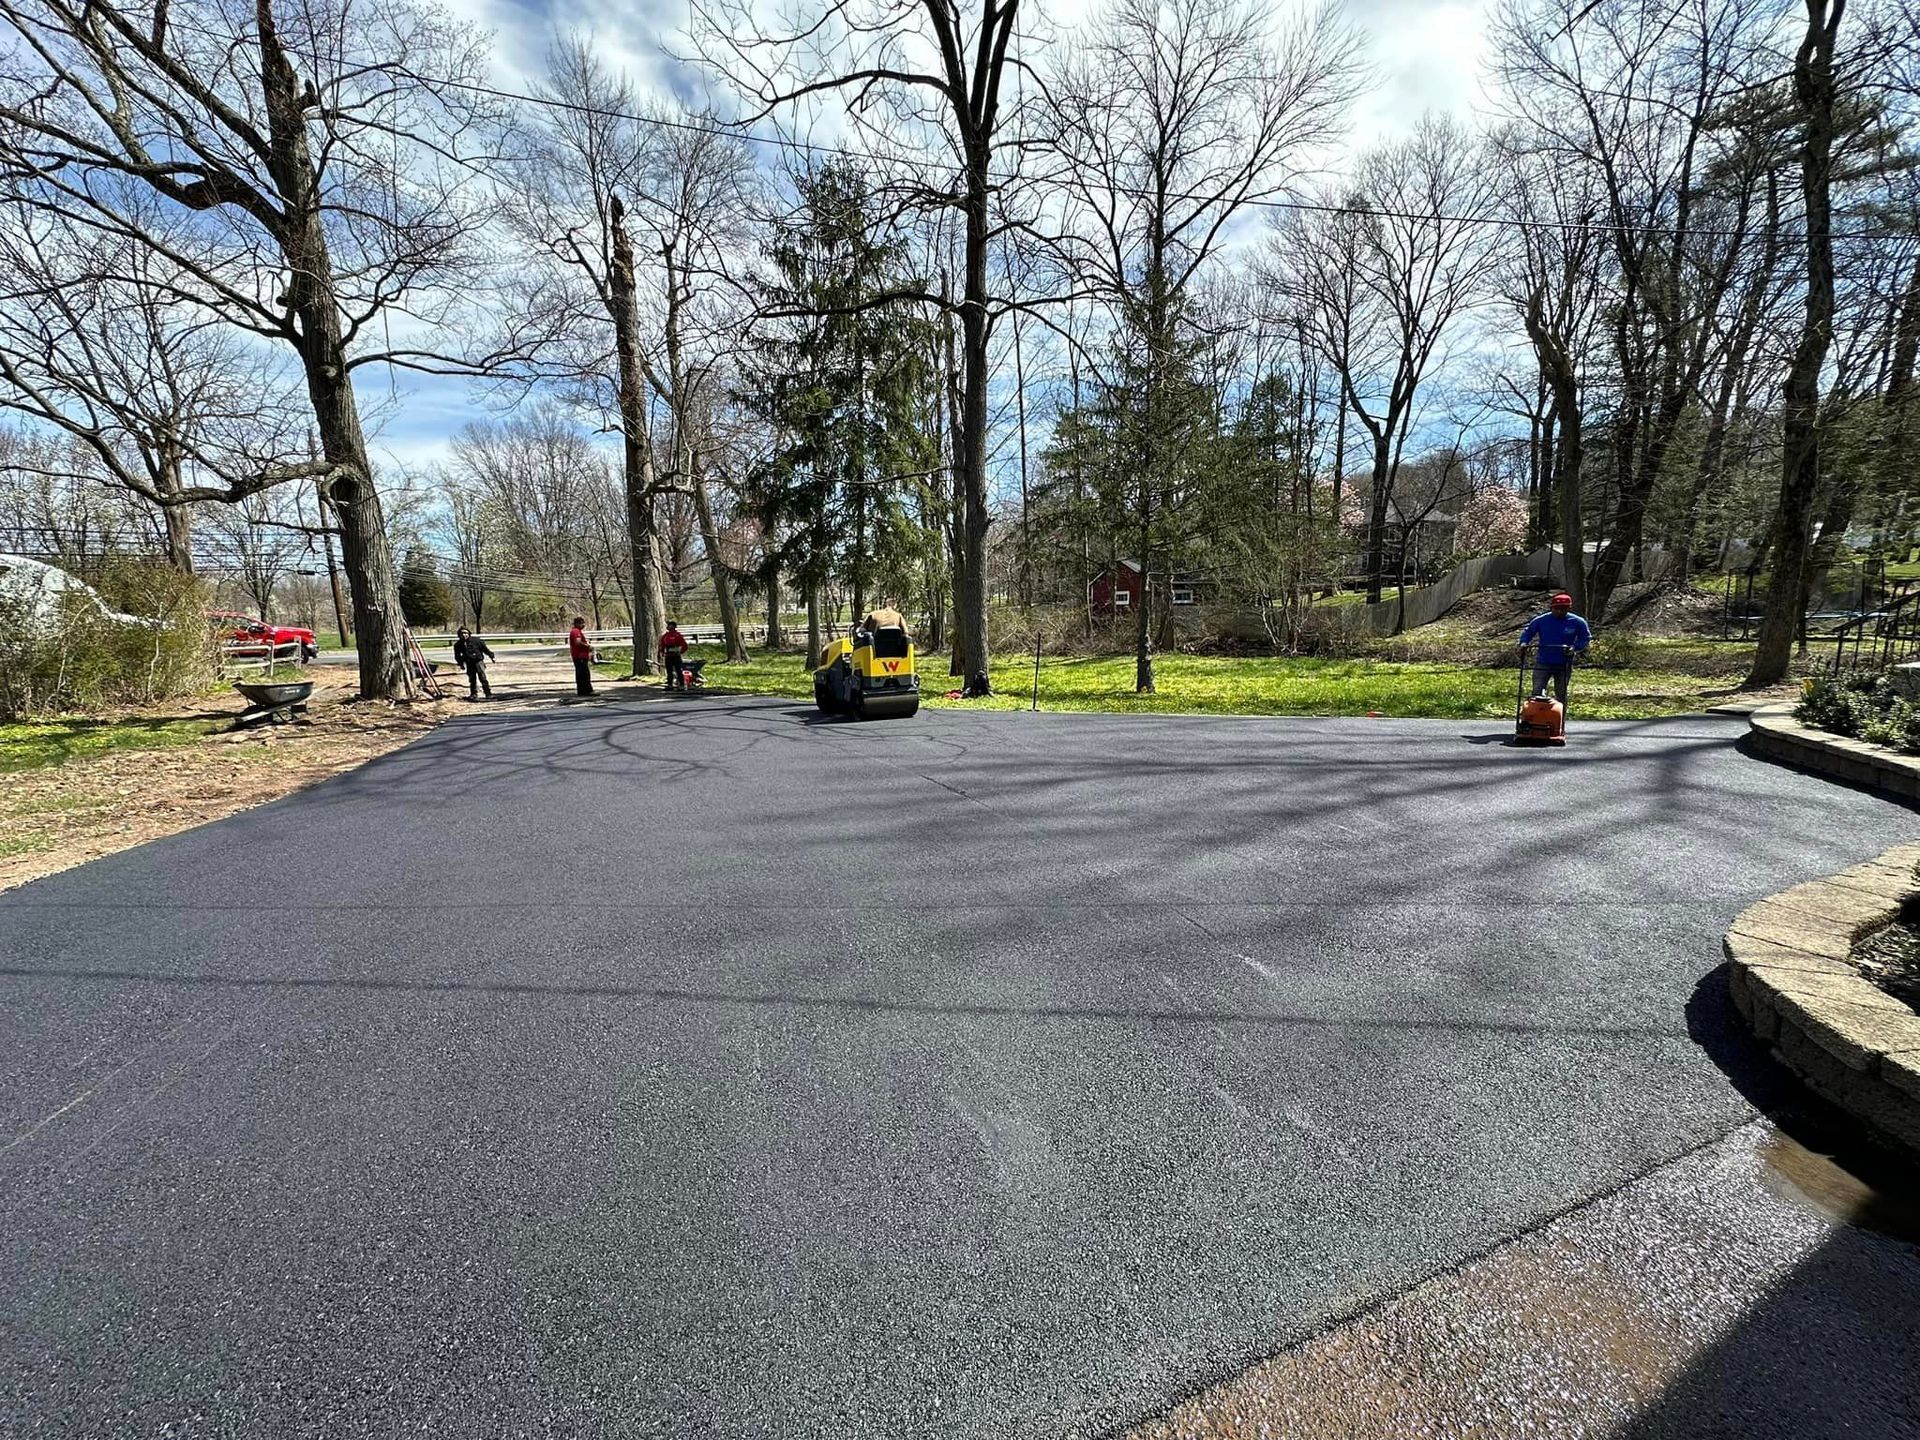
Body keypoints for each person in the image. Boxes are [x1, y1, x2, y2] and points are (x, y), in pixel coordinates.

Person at [1518, 591, 1591, 704]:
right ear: (1551, 608)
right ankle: (1537, 716)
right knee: (1537, 691)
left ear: (1568, 608)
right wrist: (1523, 643)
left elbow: (1585, 638)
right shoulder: (1541, 620)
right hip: (1543, 661)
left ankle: (1559, 717)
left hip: (1564, 662)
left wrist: (1574, 647)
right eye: (1556, 608)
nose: (1559, 611)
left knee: (1561, 693)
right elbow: (1528, 633)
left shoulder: (1577, 622)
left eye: (1563, 609)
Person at [452, 625, 495, 701]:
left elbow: (485, 650)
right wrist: (461, 664)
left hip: (478, 662)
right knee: (472, 679)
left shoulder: (477, 641)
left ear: (469, 633)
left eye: (465, 633)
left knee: (482, 677)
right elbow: (457, 656)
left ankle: (488, 693)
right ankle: (474, 694)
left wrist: (491, 656)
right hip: (469, 663)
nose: (464, 635)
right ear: (459, 635)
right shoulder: (458, 645)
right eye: (461, 633)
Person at [567, 616, 595, 697]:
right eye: (582, 623)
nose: (583, 625)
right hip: (580, 656)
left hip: (579, 656)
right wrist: (587, 646)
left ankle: (583, 691)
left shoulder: (576, 631)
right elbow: (578, 642)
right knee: (584, 674)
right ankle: (586, 691)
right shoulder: (576, 632)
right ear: (577, 624)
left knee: (582, 674)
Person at [659, 620, 689, 691]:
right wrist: (681, 651)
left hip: (672, 656)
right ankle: (676, 685)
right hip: (672, 655)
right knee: (674, 670)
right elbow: (684, 645)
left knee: (673, 670)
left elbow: (662, 645)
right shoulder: (674, 635)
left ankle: (673, 685)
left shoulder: (669, 636)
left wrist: (662, 652)